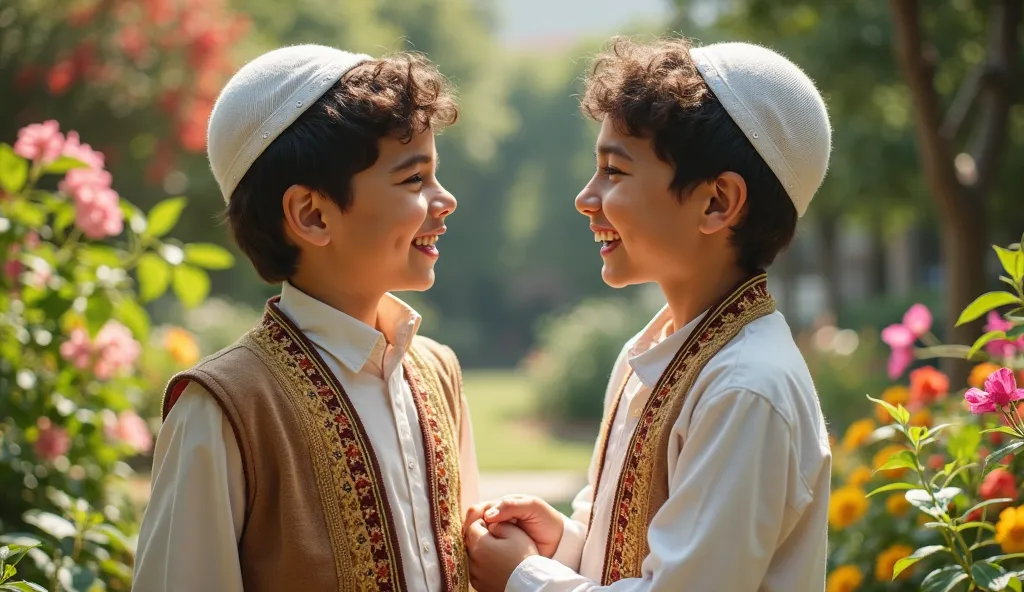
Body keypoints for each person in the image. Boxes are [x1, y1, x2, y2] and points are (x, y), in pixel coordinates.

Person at [464, 36, 833, 591]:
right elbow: (641, 559)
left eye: (614, 171)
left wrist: (523, 577)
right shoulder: (654, 350)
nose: (586, 198)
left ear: (717, 202)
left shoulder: (745, 389)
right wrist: (560, 543)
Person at [133, 44, 479, 592]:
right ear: (312, 214)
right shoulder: (224, 407)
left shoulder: (438, 373)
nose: (445, 200)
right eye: (414, 180)